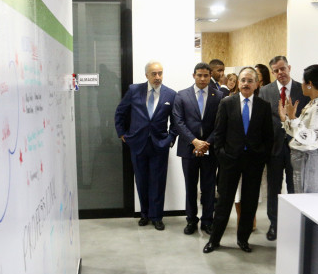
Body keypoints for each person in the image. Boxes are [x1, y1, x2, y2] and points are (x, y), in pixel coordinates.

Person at [203, 67, 273, 254]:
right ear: (238, 82)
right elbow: (219, 132)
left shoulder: (263, 106)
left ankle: (243, 240)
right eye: (243, 80)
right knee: (224, 203)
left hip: (254, 162)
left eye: (250, 80)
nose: (245, 84)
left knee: (249, 203)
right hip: (230, 161)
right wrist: (222, 155)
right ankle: (214, 240)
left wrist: (261, 156)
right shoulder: (227, 103)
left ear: (256, 84)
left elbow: (268, 136)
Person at [114, 61, 177, 230]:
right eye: (154, 74)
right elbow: (120, 112)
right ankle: (145, 214)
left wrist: (170, 138)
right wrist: (122, 134)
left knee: (158, 182)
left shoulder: (171, 94)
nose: (158, 77)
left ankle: (157, 217)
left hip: (159, 145)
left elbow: (176, 121)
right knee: (141, 181)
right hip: (138, 144)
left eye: (160, 73)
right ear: (146, 75)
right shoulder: (134, 90)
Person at [258, 55, 307, 241]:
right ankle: (274, 224)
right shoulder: (265, 91)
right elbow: (262, 121)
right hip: (274, 148)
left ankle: (294, 223)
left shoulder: (302, 90)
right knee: (274, 188)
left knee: (295, 187)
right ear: (272, 72)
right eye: (276, 70)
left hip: (297, 148)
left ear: (289, 68)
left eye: (283, 69)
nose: (280, 73)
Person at [172, 63, 223, 235]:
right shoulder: (181, 95)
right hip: (189, 148)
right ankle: (191, 220)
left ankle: (207, 221)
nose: (202, 79)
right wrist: (195, 141)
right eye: (199, 75)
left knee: (209, 187)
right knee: (190, 186)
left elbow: (220, 124)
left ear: (210, 76)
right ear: (193, 75)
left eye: (206, 75)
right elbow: (178, 122)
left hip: (210, 148)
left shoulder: (219, 96)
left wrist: (206, 143)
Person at [279, 65, 318, 193]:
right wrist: (285, 119)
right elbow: (298, 133)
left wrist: (293, 118)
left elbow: (309, 137)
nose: (302, 85)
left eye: (304, 81)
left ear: (310, 84)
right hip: (303, 160)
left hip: (310, 160)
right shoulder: (312, 103)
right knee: (301, 199)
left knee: (307, 202)